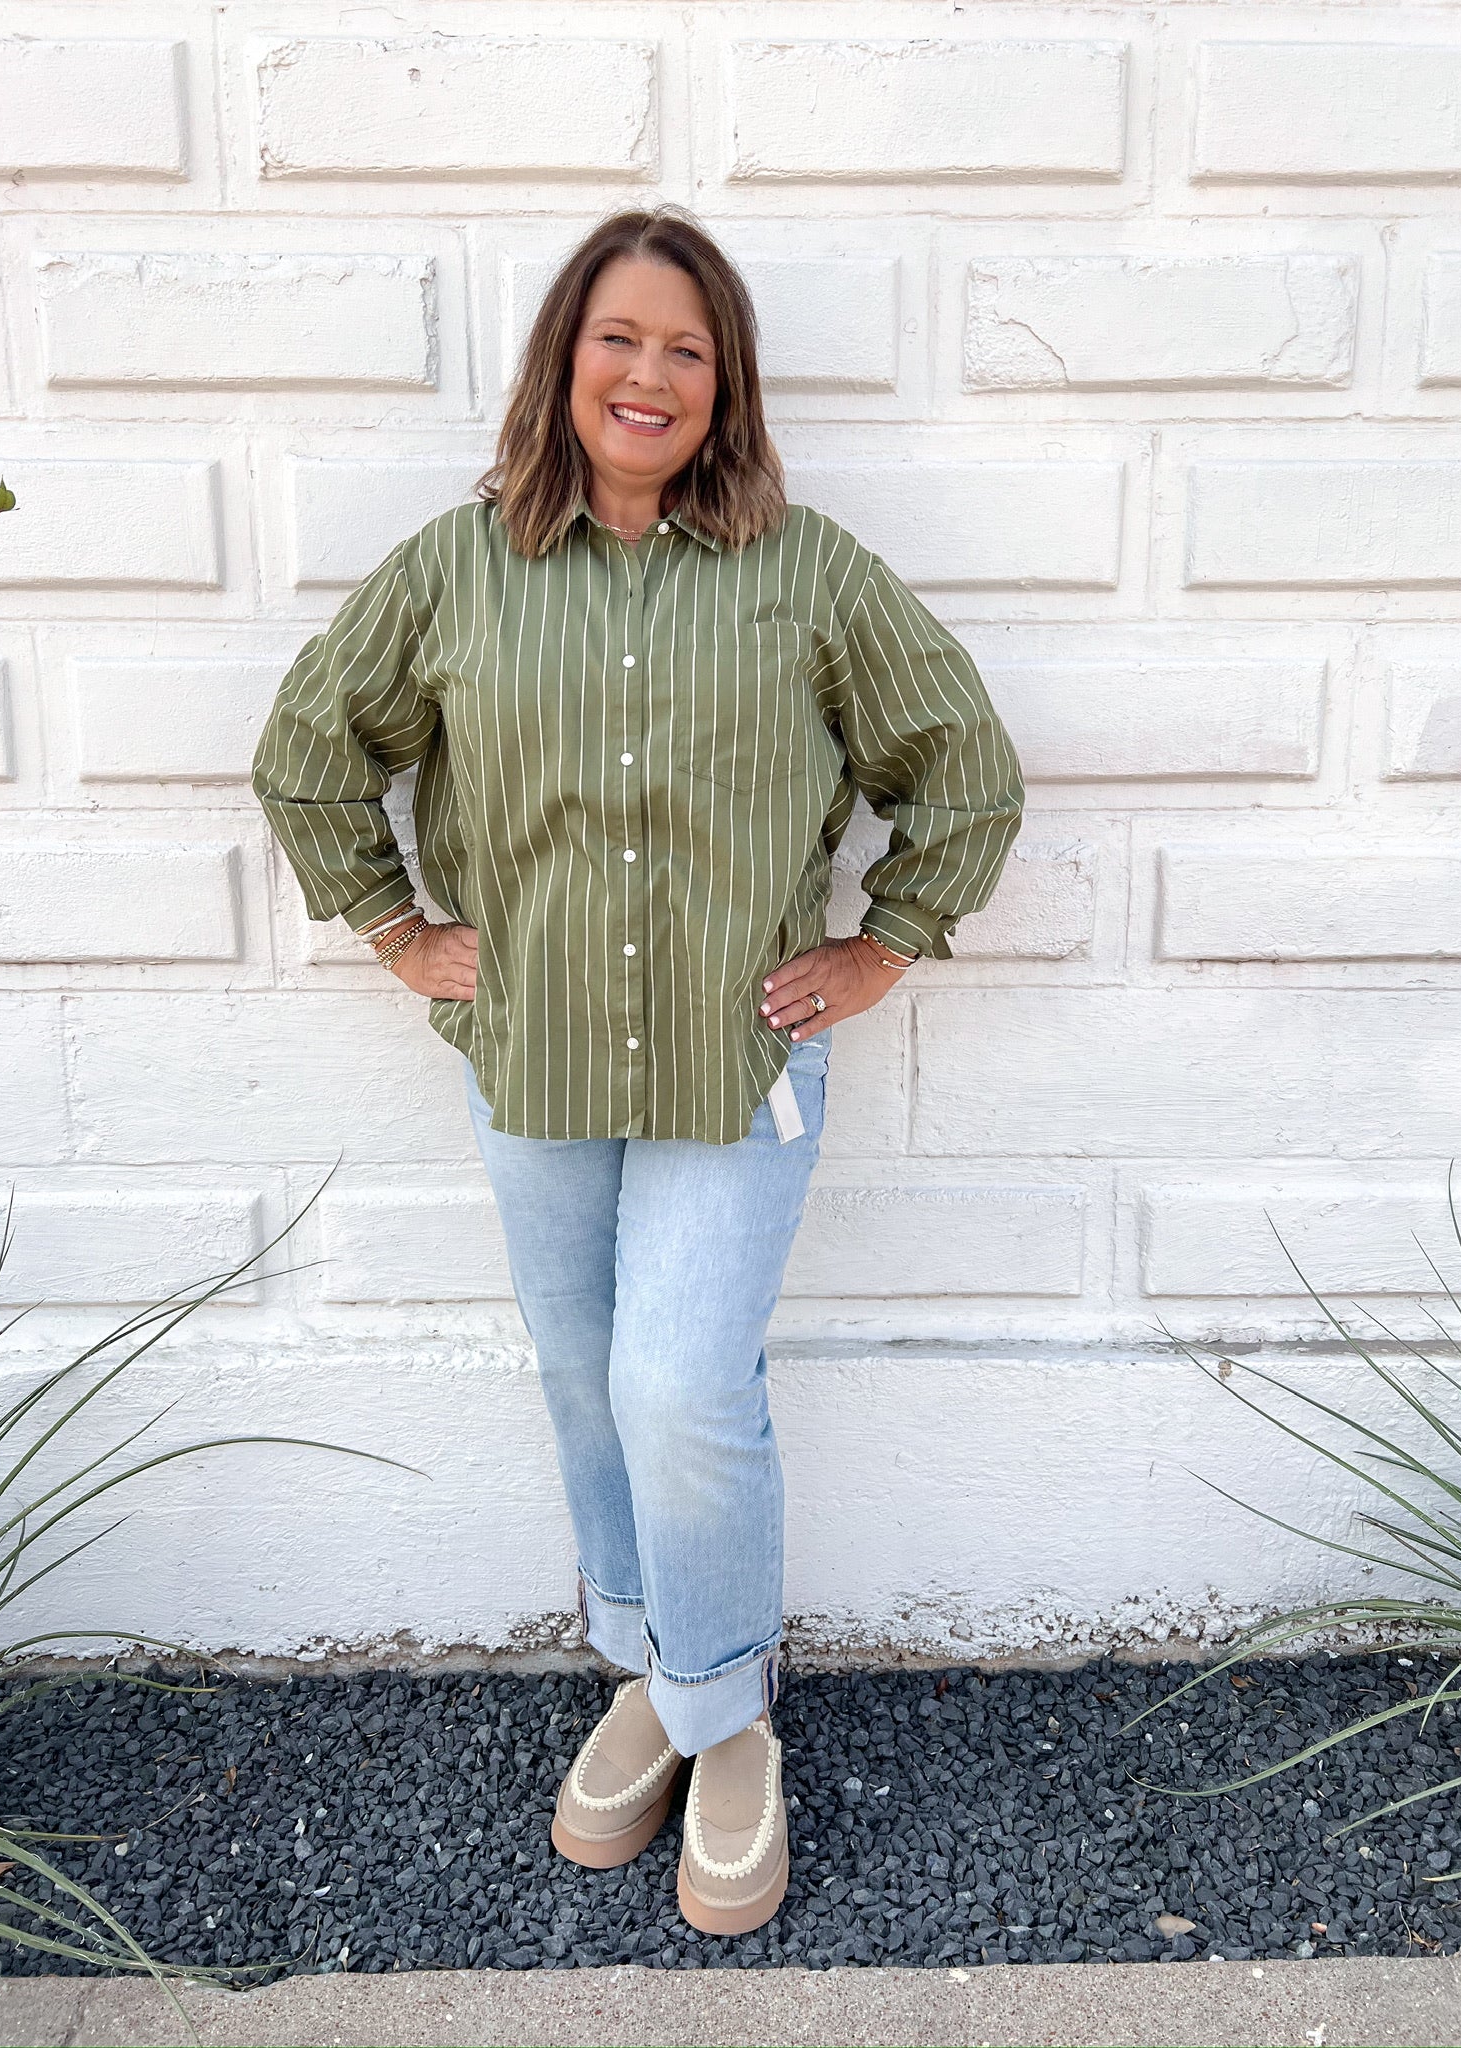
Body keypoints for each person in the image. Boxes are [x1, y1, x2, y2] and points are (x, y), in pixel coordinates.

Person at [251, 203, 1024, 1939]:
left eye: (687, 346)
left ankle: (727, 1714)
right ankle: (650, 1669)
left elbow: (963, 769)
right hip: (526, 1057)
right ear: (565, 360)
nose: (650, 372)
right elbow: (310, 751)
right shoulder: (456, 571)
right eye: (621, 338)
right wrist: (398, 930)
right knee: (590, 1378)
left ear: (725, 380)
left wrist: (882, 947)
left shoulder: (809, 574)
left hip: (732, 1063)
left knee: (683, 1387)